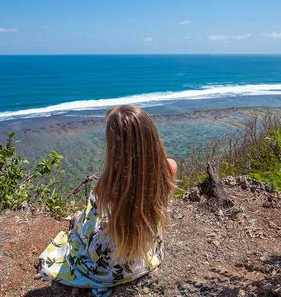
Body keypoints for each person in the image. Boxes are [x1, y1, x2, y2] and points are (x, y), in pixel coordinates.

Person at [37, 105, 177, 296]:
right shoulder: (169, 167)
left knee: (80, 219)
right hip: (146, 254)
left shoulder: (107, 184)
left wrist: (78, 221)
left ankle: (75, 220)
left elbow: (93, 229)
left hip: (111, 267)